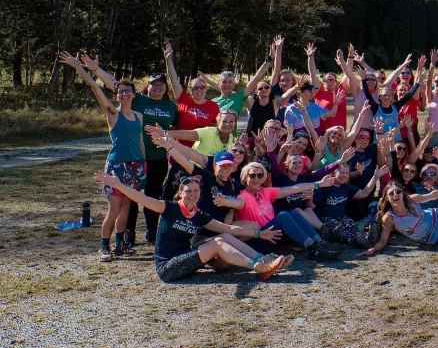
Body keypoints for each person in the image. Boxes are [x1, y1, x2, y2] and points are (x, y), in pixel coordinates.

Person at [94, 171, 292, 282]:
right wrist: (118, 185)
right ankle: (258, 267)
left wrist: (258, 233)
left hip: (186, 259)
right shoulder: (169, 208)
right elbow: (143, 199)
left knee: (221, 236)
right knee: (216, 243)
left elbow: (228, 228)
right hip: (168, 268)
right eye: (188, 191)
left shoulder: (198, 215)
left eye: (196, 191)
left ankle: (262, 260)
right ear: (180, 193)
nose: (192, 194)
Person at [78, 49, 178, 250]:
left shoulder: (165, 107)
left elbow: (150, 137)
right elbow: (106, 86)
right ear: (145, 88)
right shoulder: (129, 104)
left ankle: (129, 241)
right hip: (120, 163)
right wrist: (92, 69)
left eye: (161, 84)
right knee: (119, 207)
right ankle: (112, 243)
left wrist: (146, 160)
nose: (157, 87)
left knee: (141, 200)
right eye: (153, 84)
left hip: (147, 162)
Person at [59, 51, 146, 262]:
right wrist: (78, 67)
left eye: (128, 91)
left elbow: (140, 141)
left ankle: (120, 245)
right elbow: (95, 87)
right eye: (121, 92)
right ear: (117, 95)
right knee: (115, 208)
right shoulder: (112, 113)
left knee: (127, 206)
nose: (124, 94)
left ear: (134, 94)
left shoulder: (139, 116)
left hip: (136, 166)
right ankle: (104, 247)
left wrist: (143, 163)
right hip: (117, 166)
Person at [358, 180, 438, 255]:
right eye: (391, 193)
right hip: (433, 236)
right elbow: (383, 240)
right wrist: (372, 250)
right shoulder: (389, 218)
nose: (395, 194)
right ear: (387, 198)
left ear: (402, 193)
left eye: (398, 191)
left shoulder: (412, 199)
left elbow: (431, 196)